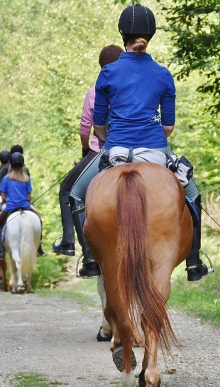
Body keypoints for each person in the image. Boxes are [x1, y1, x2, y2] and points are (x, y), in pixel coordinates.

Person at [69, 4, 210, 281]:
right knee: (192, 196)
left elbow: (98, 125)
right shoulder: (163, 74)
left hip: (116, 150)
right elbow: (168, 127)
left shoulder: (108, 73)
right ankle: (194, 263)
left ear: (122, 34)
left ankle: (90, 259)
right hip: (156, 151)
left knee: (75, 194)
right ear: (151, 35)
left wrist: (111, 141)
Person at [52, 45, 123, 273]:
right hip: (137, 146)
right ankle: (192, 256)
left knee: (68, 191)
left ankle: (78, 249)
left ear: (101, 66)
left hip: (102, 150)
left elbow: (86, 128)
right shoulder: (130, 88)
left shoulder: (95, 91)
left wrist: (86, 150)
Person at [0, 152, 44, 260]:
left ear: (10, 164)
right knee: (39, 221)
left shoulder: (6, 178)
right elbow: (29, 197)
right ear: (22, 164)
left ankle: (0, 250)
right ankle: (39, 247)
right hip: (26, 206)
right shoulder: (26, 178)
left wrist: (9, 200)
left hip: (10, 207)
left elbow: (3, 195)